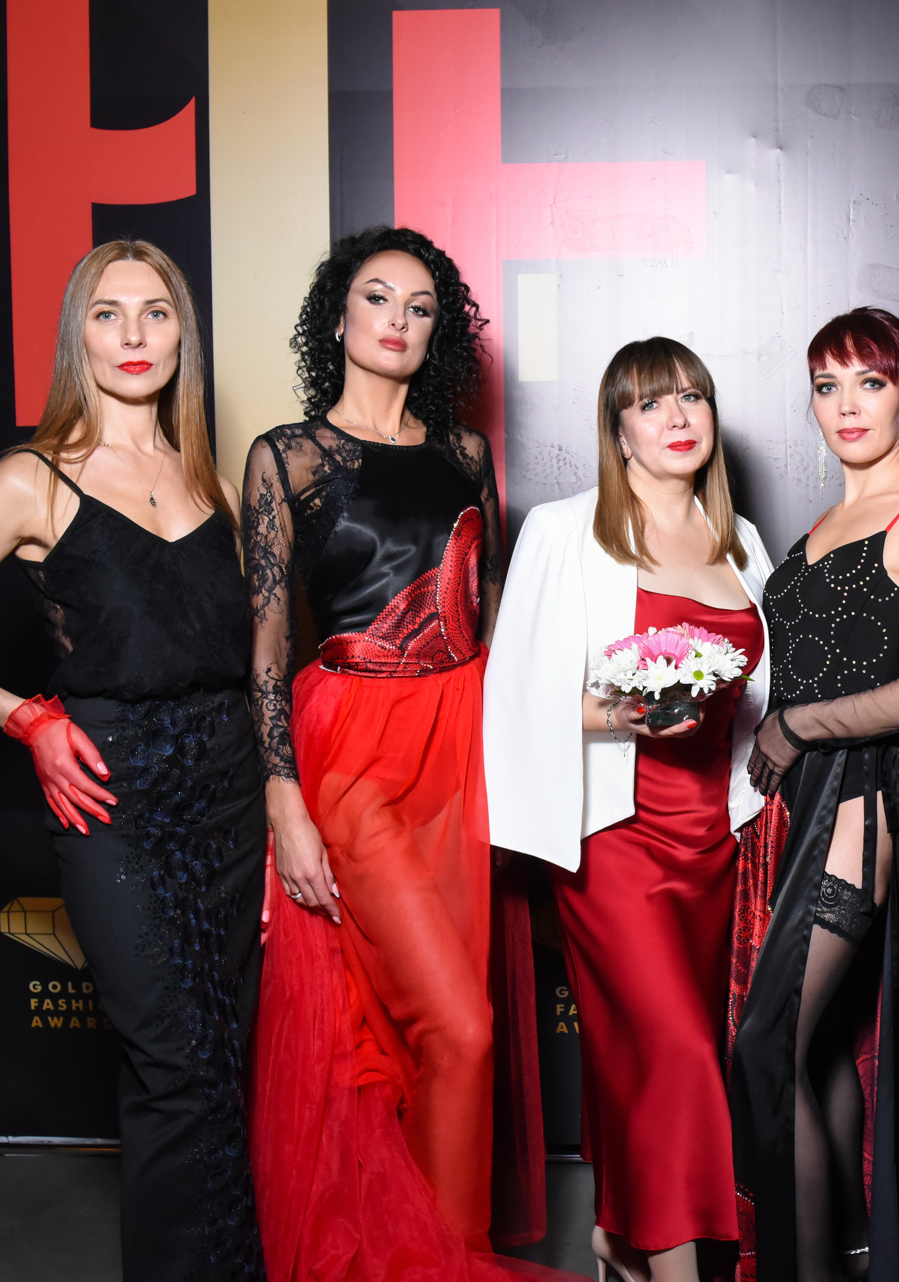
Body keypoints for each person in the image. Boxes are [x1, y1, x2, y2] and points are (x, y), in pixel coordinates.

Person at [0, 240, 264, 1278]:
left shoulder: (213, 483)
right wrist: (29, 719)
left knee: (224, 1067)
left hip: (231, 803)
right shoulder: (30, 479)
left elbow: (250, 667)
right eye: (107, 313)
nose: (133, 335)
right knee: (174, 1069)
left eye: (156, 313)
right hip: (115, 805)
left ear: (183, 337)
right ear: (75, 338)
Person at [242, 225, 538, 1280]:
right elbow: (266, 647)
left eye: (420, 307)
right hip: (354, 757)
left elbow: (495, 619)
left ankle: (438, 1247)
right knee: (461, 1027)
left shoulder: (466, 453)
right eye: (377, 298)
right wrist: (284, 801)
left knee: (443, 1035)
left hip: (460, 750)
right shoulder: (287, 456)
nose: (398, 321)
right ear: (338, 316)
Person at [485, 337, 773, 1282]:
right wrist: (624, 713)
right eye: (650, 404)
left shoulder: (745, 544)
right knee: (677, 1053)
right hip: (616, 837)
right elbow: (515, 692)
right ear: (618, 432)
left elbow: (767, 700)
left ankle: (617, 1237)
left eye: (692, 397)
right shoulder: (565, 531)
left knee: (653, 1058)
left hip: (719, 839)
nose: (677, 418)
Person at [730, 306, 899, 1282]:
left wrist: (797, 726)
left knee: (767, 1045)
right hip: (796, 810)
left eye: (870, 381)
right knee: (817, 1049)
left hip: (862, 800)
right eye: (827, 386)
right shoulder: (821, 525)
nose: (847, 405)